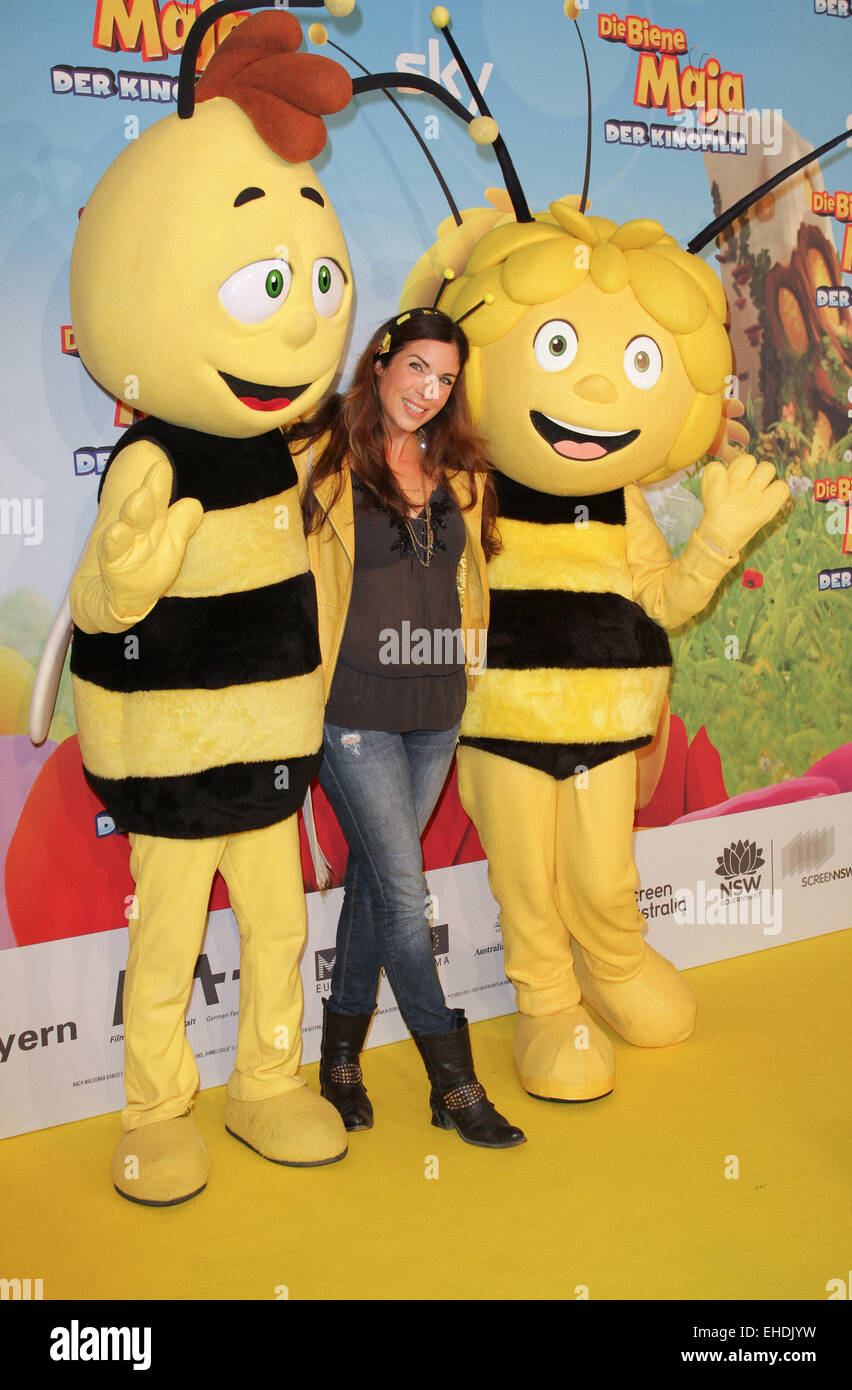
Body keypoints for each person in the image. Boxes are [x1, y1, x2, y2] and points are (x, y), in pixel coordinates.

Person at [288, 307, 525, 1149]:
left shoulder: (461, 472)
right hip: (352, 711)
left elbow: (468, 587)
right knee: (402, 891)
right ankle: (453, 1082)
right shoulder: (321, 465)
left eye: (445, 379)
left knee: (377, 884)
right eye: (417, 368)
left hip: (435, 714)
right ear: (380, 362)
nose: (428, 391)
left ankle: (342, 1062)